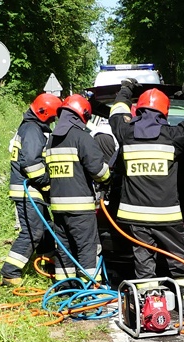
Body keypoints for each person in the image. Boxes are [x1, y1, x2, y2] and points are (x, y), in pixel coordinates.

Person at [108, 79, 184, 315]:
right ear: (164, 112)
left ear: (139, 109)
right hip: (166, 214)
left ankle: (148, 302)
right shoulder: (173, 135)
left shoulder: (126, 133)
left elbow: (116, 113)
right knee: (179, 257)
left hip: (134, 215)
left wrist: (125, 90)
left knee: (144, 259)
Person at [45, 94, 112, 285]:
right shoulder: (82, 138)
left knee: (64, 248)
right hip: (80, 208)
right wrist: (108, 178)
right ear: (81, 114)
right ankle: (89, 289)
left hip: (58, 208)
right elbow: (98, 171)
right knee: (87, 248)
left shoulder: (52, 140)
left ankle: (65, 287)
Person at [0, 93, 63, 287]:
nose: (53, 121)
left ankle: (47, 262)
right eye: (52, 117)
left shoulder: (30, 128)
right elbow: (31, 163)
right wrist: (46, 182)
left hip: (31, 189)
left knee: (46, 228)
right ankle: (10, 272)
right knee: (32, 232)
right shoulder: (32, 130)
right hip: (28, 190)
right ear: (44, 114)